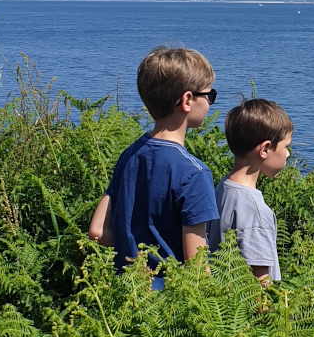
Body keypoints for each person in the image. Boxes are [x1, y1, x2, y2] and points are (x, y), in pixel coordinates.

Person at [88, 46, 219, 284]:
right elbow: (197, 268)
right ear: (187, 100)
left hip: (127, 294)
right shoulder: (194, 173)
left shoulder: (130, 155)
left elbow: (97, 230)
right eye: (209, 95)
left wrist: (137, 255)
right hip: (170, 307)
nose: (211, 103)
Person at [207, 98, 293, 284]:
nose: (288, 154)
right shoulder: (256, 213)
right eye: (286, 147)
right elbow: (259, 286)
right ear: (265, 149)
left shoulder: (223, 187)